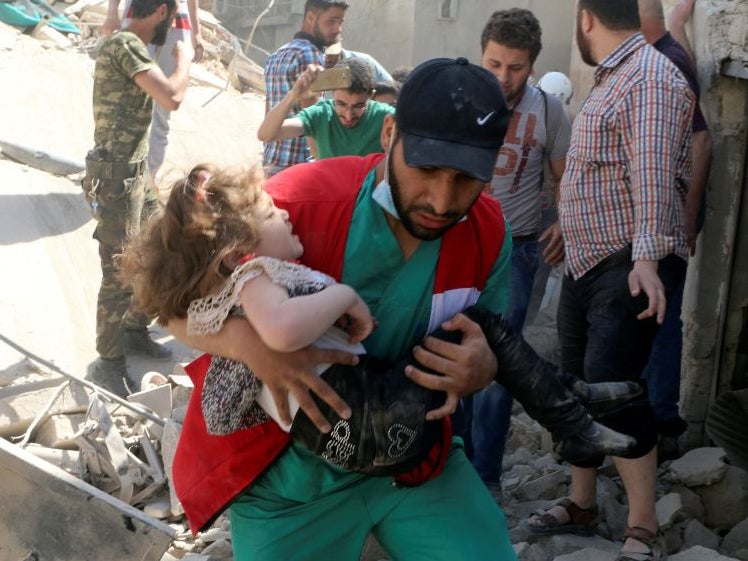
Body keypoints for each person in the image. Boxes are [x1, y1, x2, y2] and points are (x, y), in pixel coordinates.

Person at [122, 163, 638, 477]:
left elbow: (181, 312)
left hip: (355, 429)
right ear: (240, 248)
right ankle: (569, 409)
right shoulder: (254, 276)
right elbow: (279, 332)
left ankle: (568, 403)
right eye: (268, 213)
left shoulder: (225, 292)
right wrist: (343, 294)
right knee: (481, 326)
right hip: (370, 420)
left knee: (483, 335)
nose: (282, 211)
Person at [526, 2, 694, 560]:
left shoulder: (646, 75)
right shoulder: (615, 75)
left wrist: (646, 257)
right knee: (576, 384)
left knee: (612, 386)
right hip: (589, 260)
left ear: (586, 16)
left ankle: (642, 524)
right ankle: (582, 502)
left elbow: (651, 173)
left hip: (626, 260)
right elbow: (598, 172)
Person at [461, 7, 572, 495]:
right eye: (494, 64)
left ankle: (485, 477)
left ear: (532, 65)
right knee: (446, 355)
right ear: (481, 56)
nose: (503, 77)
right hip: (456, 248)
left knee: (499, 368)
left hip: (517, 254)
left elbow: (562, 177)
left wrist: (565, 220)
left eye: (515, 67)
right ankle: (451, 467)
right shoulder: (458, 99)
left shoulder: (549, 111)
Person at [81, 0, 190, 396]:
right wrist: (187, 58)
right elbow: (171, 96)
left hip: (135, 176)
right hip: (115, 181)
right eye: (173, 18)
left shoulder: (131, 47)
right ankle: (106, 362)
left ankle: (132, 328)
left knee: (162, 246)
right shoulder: (124, 42)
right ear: (161, 11)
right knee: (117, 270)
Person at [638, 0, 712, 450]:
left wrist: (687, 214)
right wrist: (679, 23)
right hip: (664, 205)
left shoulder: (662, 60)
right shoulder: (668, 49)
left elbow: (703, 138)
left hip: (671, 208)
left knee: (661, 316)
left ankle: (659, 422)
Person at [102, 0, 203, 183]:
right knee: (127, 96)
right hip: (142, 14)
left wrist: (197, 31)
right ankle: (116, 171)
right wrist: (111, 12)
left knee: (161, 113)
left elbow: (171, 99)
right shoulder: (127, 42)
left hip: (176, 22)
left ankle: (148, 178)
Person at [262, 0, 348, 176]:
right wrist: (321, 167)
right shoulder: (311, 55)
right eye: (331, 21)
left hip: (271, 162)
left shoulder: (278, 54)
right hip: (298, 167)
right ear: (310, 17)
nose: (337, 29)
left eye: (340, 22)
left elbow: (269, 110)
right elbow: (312, 118)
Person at [257, 58, 394, 159]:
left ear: (371, 96)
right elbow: (266, 134)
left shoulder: (385, 118)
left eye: (358, 106)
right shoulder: (321, 115)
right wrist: (293, 95)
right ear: (332, 93)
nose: (348, 116)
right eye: (341, 104)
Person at [324, 37, 393, 83]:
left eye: (331, 54)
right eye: (320, 54)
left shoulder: (365, 62)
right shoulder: (314, 71)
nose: (326, 59)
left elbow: (390, 90)